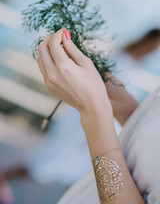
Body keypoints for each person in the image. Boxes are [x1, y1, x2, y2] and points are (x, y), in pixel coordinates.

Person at [36, 28, 146, 203]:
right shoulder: (124, 59)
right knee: (55, 156)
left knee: (58, 158)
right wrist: (126, 108)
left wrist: (94, 111)